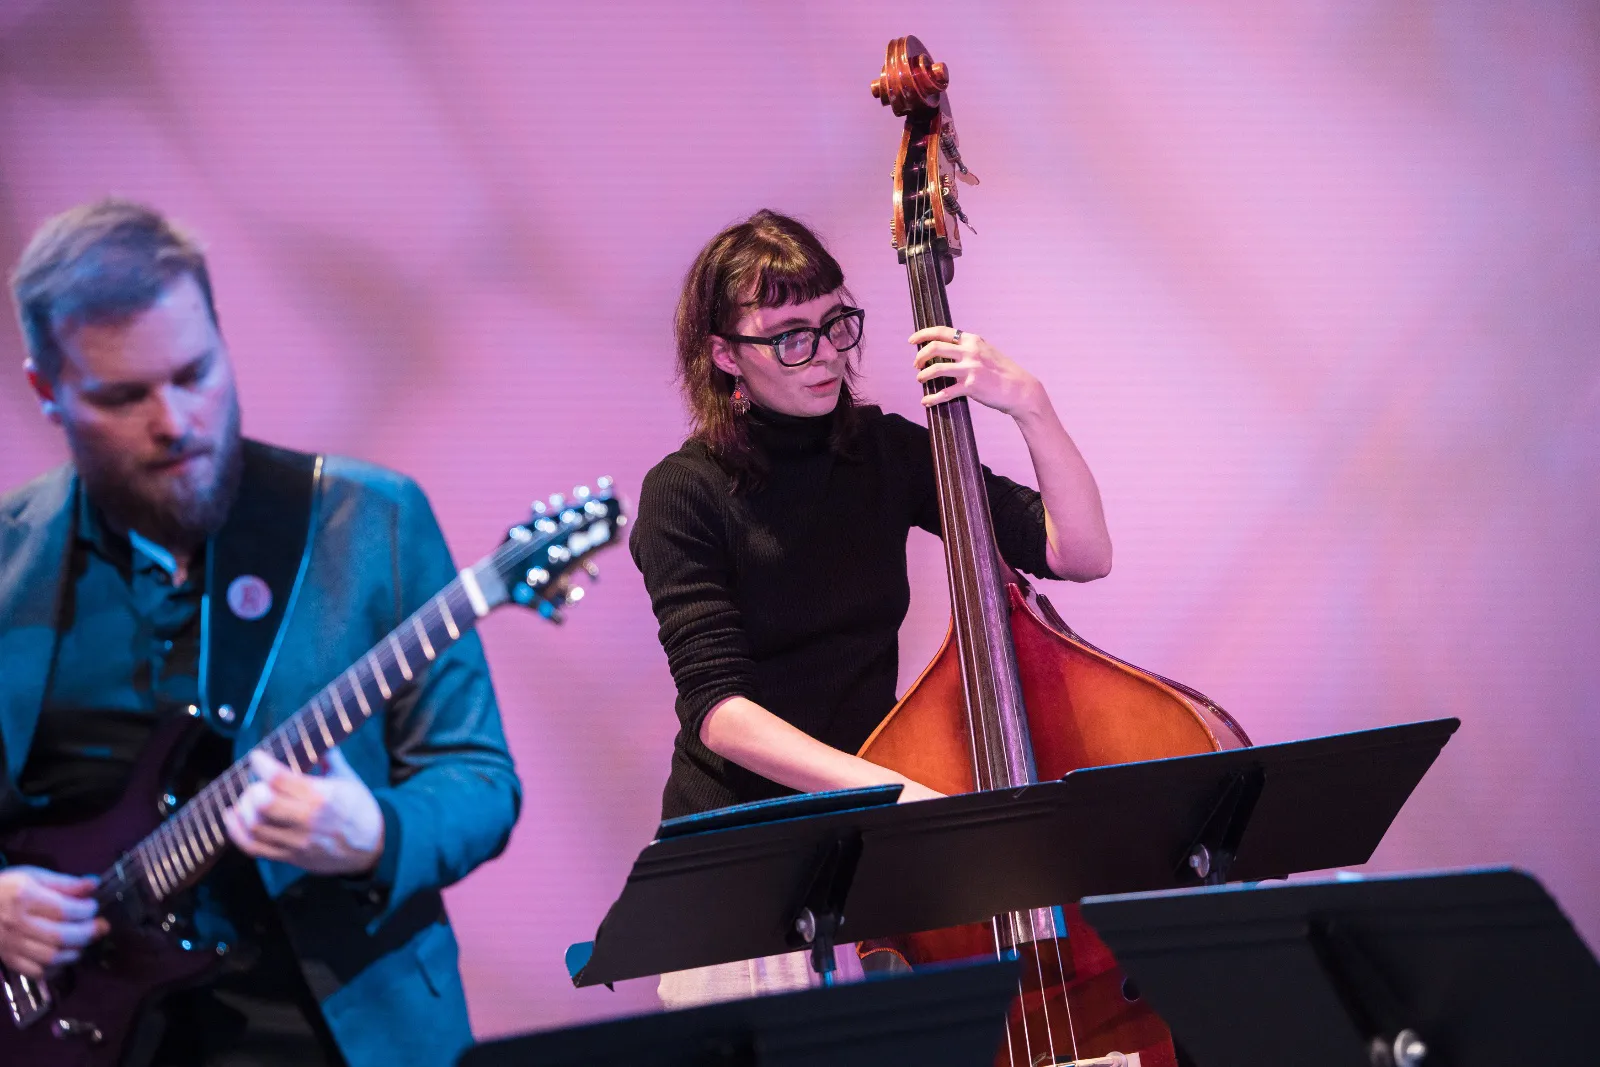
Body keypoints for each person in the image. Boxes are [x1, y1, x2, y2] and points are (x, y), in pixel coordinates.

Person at [0, 199, 520, 1067]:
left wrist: (376, 832)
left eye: (194, 372)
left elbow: (478, 777)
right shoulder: (10, 562)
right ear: (47, 392)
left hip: (339, 1033)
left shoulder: (371, 520)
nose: (175, 422)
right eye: (124, 396)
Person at [629, 210, 1113, 1007]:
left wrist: (1031, 404)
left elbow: (1079, 552)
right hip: (743, 859)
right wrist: (893, 790)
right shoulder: (684, 492)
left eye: (836, 323)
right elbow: (721, 714)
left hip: (863, 841)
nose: (826, 353)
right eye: (790, 337)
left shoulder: (880, 450)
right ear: (725, 355)